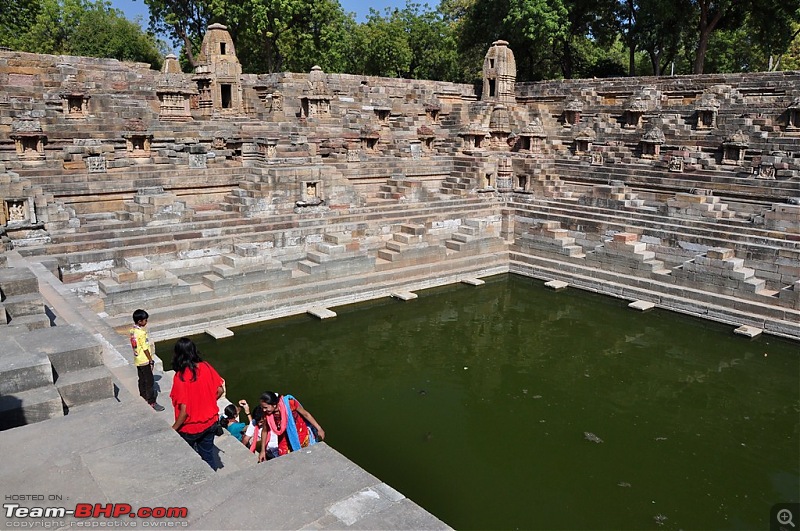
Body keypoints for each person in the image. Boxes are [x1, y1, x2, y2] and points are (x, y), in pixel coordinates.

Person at [170, 337, 225, 470]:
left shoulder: (180, 377)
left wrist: (173, 430)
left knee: (188, 460)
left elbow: (184, 412)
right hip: (211, 422)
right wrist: (208, 402)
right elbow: (220, 390)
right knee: (208, 456)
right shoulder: (206, 366)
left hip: (190, 428)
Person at [257, 391, 325, 463]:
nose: (264, 410)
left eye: (265, 407)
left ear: (274, 405)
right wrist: (263, 450)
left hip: (300, 433)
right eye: (262, 408)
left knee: (307, 457)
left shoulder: (290, 403)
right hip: (283, 438)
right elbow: (265, 430)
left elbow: (306, 414)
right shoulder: (267, 414)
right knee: (287, 460)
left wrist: (319, 428)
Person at [129, 309, 164, 411]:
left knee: (141, 377)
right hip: (144, 360)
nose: (146, 322)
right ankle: (152, 401)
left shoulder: (132, 331)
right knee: (149, 380)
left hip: (137, 359)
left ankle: (142, 393)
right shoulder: (141, 333)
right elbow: (145, 348)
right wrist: (150, 359)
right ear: (140, 321)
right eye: (145, 320)